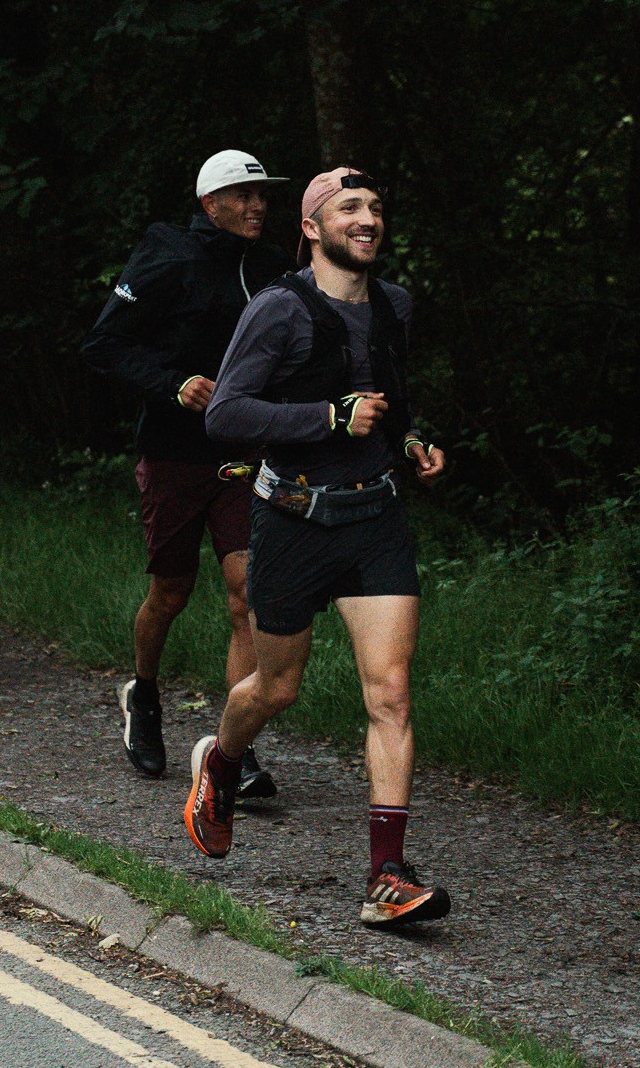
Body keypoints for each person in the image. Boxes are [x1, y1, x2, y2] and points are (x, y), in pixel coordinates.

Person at [186, 166, 450, 928]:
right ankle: (222, 762)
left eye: (375, 207)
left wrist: (414, 440)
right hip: (292, 520)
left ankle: (386, 877)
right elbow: (226, 414)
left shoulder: (393, 306)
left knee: (390, 693)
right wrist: (327, 421)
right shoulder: (277, 309)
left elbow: (390, 398)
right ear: (311, 227)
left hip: (374, 519)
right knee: (275, 689)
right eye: (349, 208)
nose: (367, 219)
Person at [82, 149, 288, 790]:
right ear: (210, 205)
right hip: (173, 453)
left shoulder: (272, 266)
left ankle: (236, 750)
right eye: (242, 195)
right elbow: (103, 345)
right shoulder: (168, 256)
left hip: (241, 456)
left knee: (246, 594)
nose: (257, 206)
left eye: (262, 196)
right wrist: (173, 384)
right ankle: (143, 694)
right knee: (171, 593)